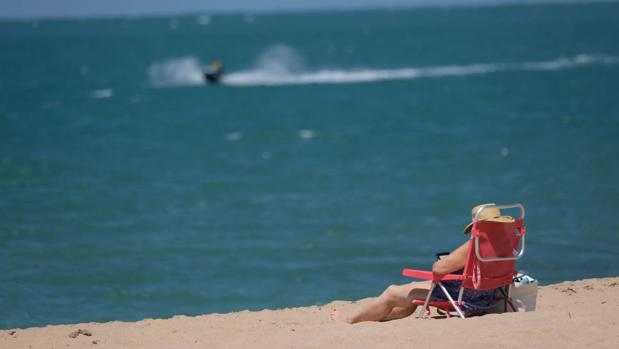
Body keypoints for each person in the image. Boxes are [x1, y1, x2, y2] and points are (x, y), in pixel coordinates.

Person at [330, 204, 505, 324]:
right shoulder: (504, 244)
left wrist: (446, 261)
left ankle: (350, 320)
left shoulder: (475, 245)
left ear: (477, 227)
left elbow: (439, 269)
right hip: (486, 297)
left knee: (392, 292)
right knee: (412, 289)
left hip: (465, 297)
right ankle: (379, 317)